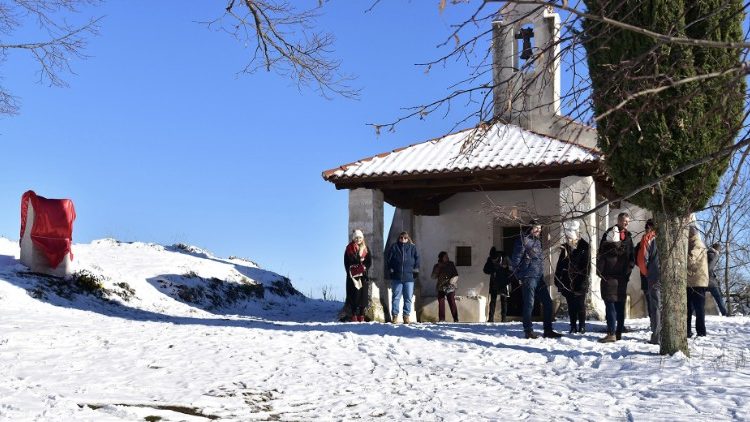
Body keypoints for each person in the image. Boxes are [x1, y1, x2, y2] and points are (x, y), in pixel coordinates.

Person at [510, 219, 562, 339]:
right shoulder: (523, 240)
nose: (538, 230)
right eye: (536, 228)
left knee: (548, 303)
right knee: (529, 304)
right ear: (530, 228)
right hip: (528, 277)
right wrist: (520, 276)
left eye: (540, 228)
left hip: (539, 277)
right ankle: (528, 330)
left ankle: (548, 330)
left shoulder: (537, 241)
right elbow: (515, 260)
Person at [597, 213, 635, 343]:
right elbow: (601, 256)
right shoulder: (609, 235)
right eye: (625, 221)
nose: (626, 224)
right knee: (614, 304)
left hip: (619, 278)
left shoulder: (628, 237)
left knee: (615, 304)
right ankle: (615, 332)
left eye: (628, 222)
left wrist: (627, 273)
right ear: (618, 220)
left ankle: (614, 332)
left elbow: (631, 258)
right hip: (612, 277)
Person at [553, 220, 590, 334]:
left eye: (570, 238)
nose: (568, 240)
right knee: (571, 304)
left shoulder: (584, 247)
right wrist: (557, 277)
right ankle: (573, 325)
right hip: (567, 280)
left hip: (580, 280)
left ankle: (582, 326)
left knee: (580, 304)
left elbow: (587, 266)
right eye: (567, 238)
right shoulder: (565, 248)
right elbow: (560, 264)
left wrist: (584, 280)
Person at [386, 231, 420, 324]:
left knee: (408, 297)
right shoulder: (394, 247)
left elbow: (417, 258)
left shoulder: (412, 247)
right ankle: (395, 316)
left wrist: (416, 270)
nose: (403, 239)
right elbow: (389, 259)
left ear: (407, 238)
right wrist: (390, 269)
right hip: (397, 276)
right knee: (396, 297)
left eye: (405, 238)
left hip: (409, 277)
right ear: (399, 238)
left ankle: (406, 316)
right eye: (401, 237)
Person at [636, 219, 661, 343]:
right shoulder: (669, 236)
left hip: (654, 275)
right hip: (670, 276)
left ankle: (657, 336)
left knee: (656, 305)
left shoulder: (648, 237)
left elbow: (642, 260)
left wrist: (647, 273)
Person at [687, 224, 710, 337]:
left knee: (698, 309)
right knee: (688, 309)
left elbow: (691, 260)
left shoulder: (697, 245)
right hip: (692, 281)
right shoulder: (693, 243)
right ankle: (687, 331)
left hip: (697, 282)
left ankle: (701, 332)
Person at [344, 229, 371, 322]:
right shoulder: (349, 248)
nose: (358, 239)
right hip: (353, 277)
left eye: (360, 237)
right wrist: (351, 270)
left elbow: (369, 261)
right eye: (356, 238)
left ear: (362, 238)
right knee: (354, 295)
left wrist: (364, 267)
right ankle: (354, 315)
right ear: (353, 238)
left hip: (363, 275)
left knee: (363, 296)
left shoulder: (366, 248)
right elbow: (346, 262)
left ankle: (362, 315)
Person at [635, 220, 656, 318]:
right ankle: (656, 324)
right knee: (656, 301)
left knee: (650, 300)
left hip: (645, 275)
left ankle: (653, 323)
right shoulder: (659, 241)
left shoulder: (642, 242)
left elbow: (636, 259)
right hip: (654, 276)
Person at [483, 247, 510, 323]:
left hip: (504, 282)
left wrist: (506, 276)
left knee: (504, 300)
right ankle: (491, 318)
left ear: (498, 257)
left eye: (494, 260)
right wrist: (493, 270)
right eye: (492, 260)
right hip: (494, 282)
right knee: (493, 300)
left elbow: (511, 269)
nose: (493, 261)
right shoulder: (490, 260)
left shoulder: (505, 258)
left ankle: (504, 319)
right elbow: (485, 270)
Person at [431, 251, 459, 322]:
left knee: (452, 302)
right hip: (441, 286)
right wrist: (438, 268)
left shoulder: (451, 264)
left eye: (447, 256)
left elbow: (455, 275)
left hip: (450, 286)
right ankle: (442, 319)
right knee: (441, 302)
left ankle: (455, 318)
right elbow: (433, 276)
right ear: (441, 258)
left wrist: (451, 282)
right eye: (445, 256)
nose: (447, 257)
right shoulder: (437, 266)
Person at [707, 242, 728, 316]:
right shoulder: (712, 254)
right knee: (718, 297)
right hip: (710, 281)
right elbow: (709, 267)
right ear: (716, 248)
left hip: (706, 280)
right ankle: (724, 313)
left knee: (699, 299)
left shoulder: (709, 253)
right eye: (720, 248)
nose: (720, 250)